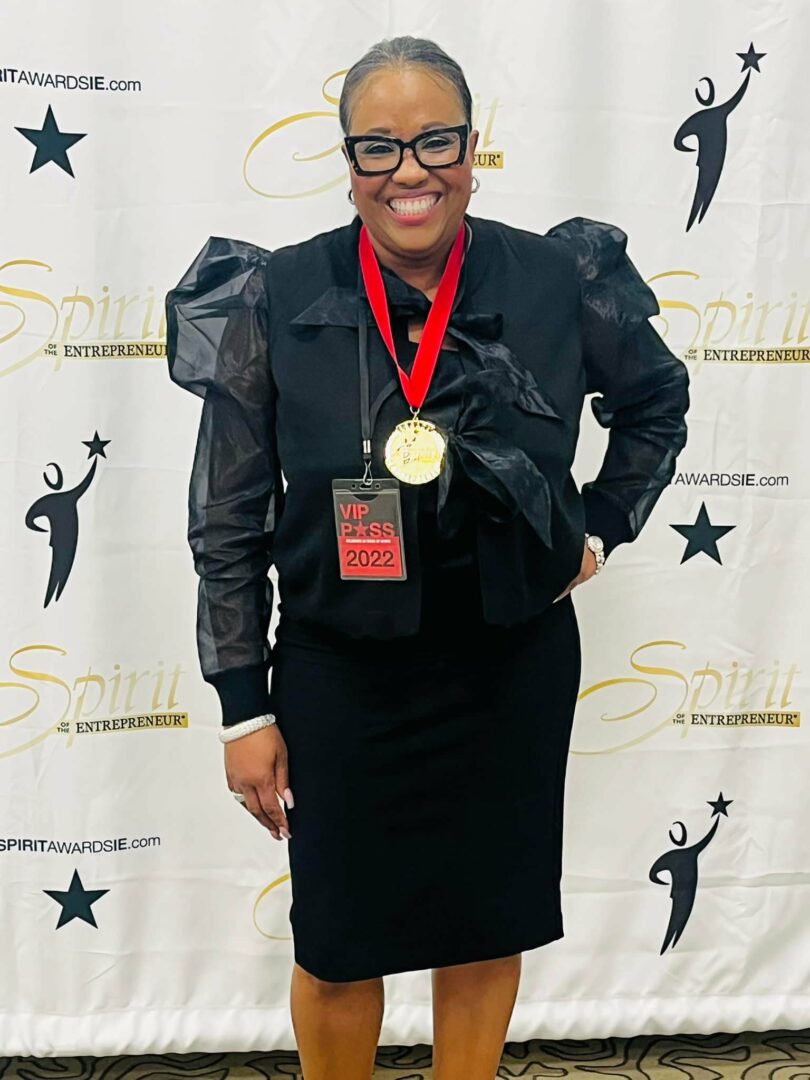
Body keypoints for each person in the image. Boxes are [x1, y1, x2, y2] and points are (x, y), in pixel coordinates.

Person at [165, 34, 690, 1080]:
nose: (409, 171)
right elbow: (228, 514)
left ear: (472, 147)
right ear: (349, 160)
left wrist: (596, 526)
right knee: (337, 941)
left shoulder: (557, 277)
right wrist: (243, 706)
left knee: (485, 923)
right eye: (379, 146)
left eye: (434, 141)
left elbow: (655, 403)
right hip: (338, 671)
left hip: (510, 664)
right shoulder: (276, 292)